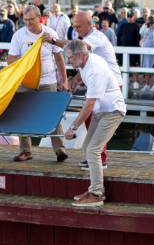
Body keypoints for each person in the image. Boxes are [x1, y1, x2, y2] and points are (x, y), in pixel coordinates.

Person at [46, 11, 122, 170]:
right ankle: (95, 156)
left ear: (89, 24)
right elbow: (85, 62)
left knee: (97, 117)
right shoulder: (87, 38)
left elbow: (76, 48)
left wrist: (53, 41)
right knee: (90, 119)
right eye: (74, 26)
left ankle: (99, 159)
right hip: (99, 81)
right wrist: (75, 79)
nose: (76, 29)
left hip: (109, 85)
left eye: (79, 26)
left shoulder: (97, 37)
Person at [63, 39, 126, 207]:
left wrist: (72, 127)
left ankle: (96, 193)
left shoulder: (95, 71)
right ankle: (97, 189)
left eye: (69, 58)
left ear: (80, 55)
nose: (68, 61)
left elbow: (89, 105)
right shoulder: (85, 63)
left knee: (93, 149)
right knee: (86, 147)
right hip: (101, 111)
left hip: (112, 111)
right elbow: (82, 74)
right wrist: (75, 79)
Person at [8, 5, 69, 163]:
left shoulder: (49, 34)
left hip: (48, 80)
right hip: (26, 81)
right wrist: (26, 63)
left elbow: (59, 58)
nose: (27, 23)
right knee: (21, 113)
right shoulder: (19, 35)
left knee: (53, 113)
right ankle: (26, 150)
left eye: (30, 20)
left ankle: (59, 149)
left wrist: (65, 80)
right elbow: (11, 59)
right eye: (25, 20)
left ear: (39, 18)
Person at [117, 11, 141, 89]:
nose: (129, 18)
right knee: (121, 65)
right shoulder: (123, 25)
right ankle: (121, 81)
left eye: (131, 16)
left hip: (133, 49)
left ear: (134, 17)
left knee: (134, 65)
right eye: (128, 16)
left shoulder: (136, 26)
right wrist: (119, 47)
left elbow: (139, 38)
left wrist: (137, 48)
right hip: (123, 48)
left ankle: (135, 82)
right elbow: (118, 36)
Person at [139, 15, 154, 92]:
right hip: (146, 52)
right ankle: (147, 85)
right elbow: (141, 32)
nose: (151, 21)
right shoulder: (147, 29)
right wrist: (146, 23)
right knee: (147, 68)